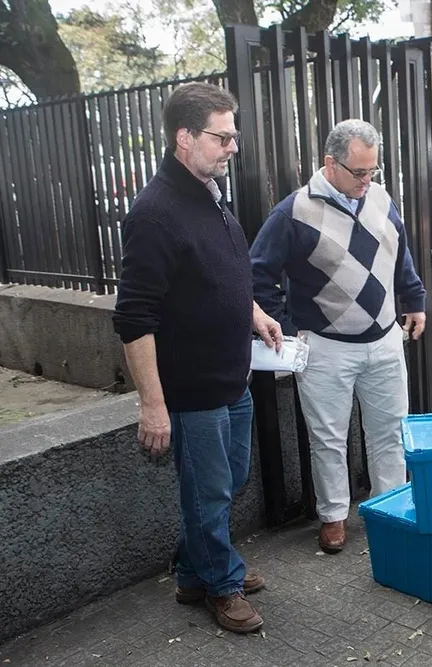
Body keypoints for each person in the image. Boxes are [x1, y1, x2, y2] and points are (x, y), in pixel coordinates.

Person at [112, 82, 283, 634]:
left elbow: (216, 276)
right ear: (185, 137)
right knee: (209, 491)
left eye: (235, 136)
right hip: (191, 389)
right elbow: (135, 318)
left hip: (232, 378)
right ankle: (222, 585)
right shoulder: (155, 212)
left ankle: (192, 571)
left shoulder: (207, 192)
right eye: (223, 136)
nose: (234, 146)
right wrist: (153, 407)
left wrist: (254, 311)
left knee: (227, 482)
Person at [250, 119, 426, 556]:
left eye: (373, 171)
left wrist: (415, 299)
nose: (367, 181)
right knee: (328, 438)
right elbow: (256, 275)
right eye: (358, 172)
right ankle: (333, 517)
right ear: (331, 164)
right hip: (325, 347)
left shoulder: (381, 199)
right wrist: (285, 329)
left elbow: (398, 254)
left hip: (385, 339)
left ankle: (389, 508)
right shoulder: (292, 212)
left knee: (390, 431)